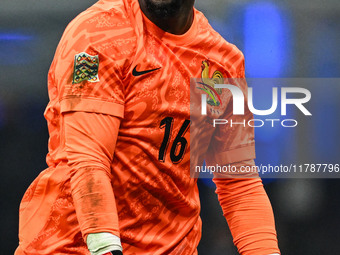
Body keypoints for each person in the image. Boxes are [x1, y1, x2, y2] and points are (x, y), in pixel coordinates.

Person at [15, 0, 280, 254]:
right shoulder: (97, 34)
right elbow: (89, 160)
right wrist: (105, 248)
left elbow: (238, 182)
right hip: (74, 247)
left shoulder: (222, 62)